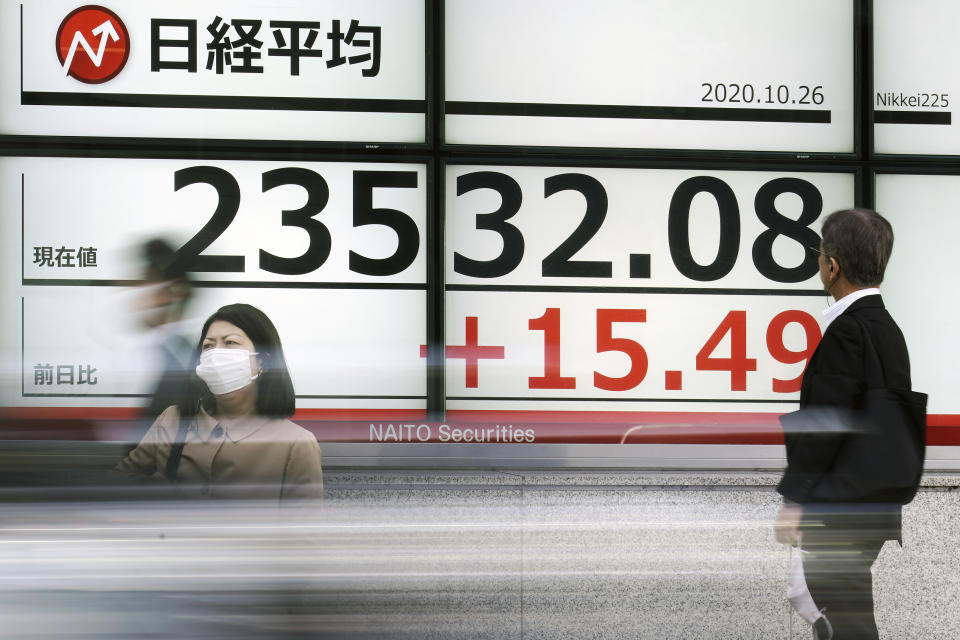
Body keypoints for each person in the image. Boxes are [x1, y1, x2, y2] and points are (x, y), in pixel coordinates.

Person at [774, 208, 917, 639]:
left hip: (841, 509)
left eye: (820, 255)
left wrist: (795, 500)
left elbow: (825, 424)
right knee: (838, 611)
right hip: (871, 508)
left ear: (831, 267)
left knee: (828, 609)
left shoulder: (846, 332)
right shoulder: (887, 329)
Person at [117, 303, 323, 501]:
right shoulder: (173, 419)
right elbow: (120, 484)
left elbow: (303, 532)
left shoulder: (297, 443)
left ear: (263, 361)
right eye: (208, 346)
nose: (215, 354)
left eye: (230, 342)